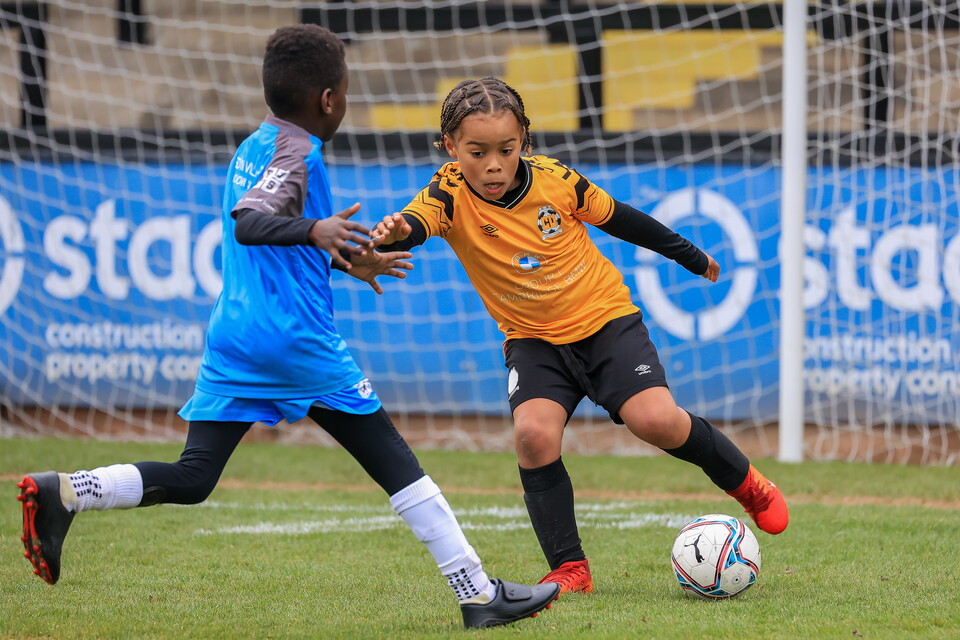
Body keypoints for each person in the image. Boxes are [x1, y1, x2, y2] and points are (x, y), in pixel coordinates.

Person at [17, 29, 559, 630]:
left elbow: (277, 239)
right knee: (396, 464)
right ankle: (477, 593)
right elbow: (251, 223)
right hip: (296, 342)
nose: (345, 100)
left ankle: (69, 490)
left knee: (194, 476)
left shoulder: (256, 144)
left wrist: (347, 260)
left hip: (236, 337)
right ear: (328, 99)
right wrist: (317, 231)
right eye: (345, 90)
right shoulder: (299, 154)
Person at [373, 76, 789, 596]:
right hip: (533, 340)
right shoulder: (447, 194)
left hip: (605, 323)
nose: (494, 165)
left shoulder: (556, 181)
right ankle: (570, 568)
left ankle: (748, 484)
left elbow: (622, 220)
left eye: (506, 149)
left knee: (656, 421)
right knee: (533, 435)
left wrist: (688, 254)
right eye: (477, 153)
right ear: (450, 147)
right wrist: (396, 235)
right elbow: (415, 223)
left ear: (525, 141)